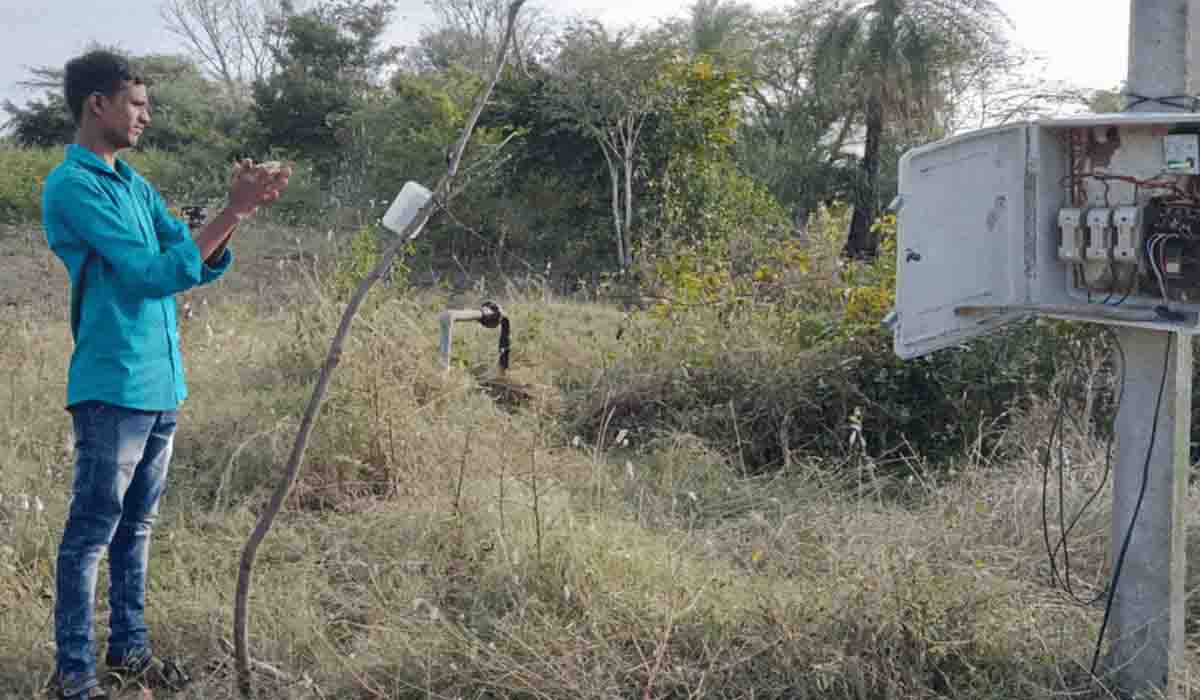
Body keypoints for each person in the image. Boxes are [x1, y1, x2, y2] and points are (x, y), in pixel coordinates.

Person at [41, 49, 291, 700]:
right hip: (113, 381)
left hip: (160, 380)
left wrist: (230, 219)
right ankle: (75, 676)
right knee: (92, 530)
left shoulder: (133, 183)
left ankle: (130, 652)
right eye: (137, 103)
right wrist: (230, 213)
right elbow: (153, 274)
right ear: (98, 104)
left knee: (138, 525)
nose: (146, 116)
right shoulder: (73, 186)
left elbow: (191, 260)